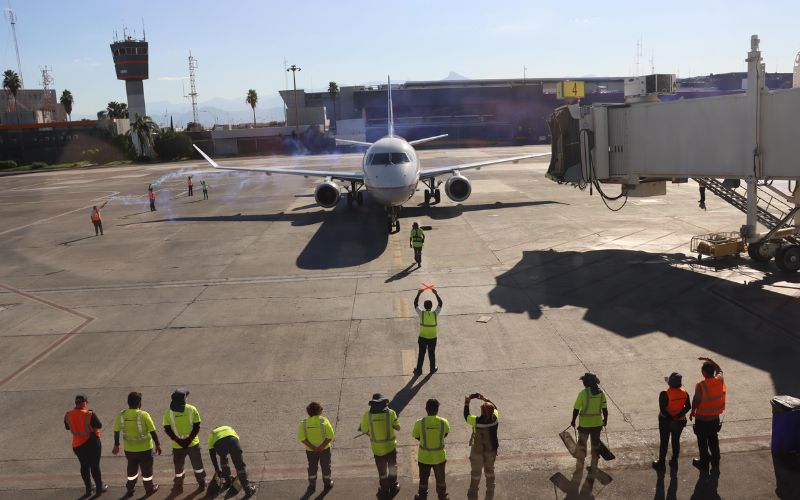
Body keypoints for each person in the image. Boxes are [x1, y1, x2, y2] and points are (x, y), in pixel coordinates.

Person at [113, 392, 161, 497]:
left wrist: (116, 445)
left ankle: (130, 488)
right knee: (147, 471)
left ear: (128, 402)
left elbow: (116, 431)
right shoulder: (144, 415)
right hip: (145, 450)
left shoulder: (121, 415)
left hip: (129, 450)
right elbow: (153, 432)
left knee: (131, 470)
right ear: (139, 403)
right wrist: (157, 444)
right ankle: (149, 488)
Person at [162, 389, 206, 493]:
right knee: (197, 465)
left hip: (177, 445)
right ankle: (202, 482)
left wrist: (179, 441)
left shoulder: (169, 413)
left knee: (178, 466)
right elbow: (197, 426)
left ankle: (178, 483)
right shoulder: (192, 409)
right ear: (184, 399)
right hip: (193, 443)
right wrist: (189, 440)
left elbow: (167, 429)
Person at [64, 394, 108, 498]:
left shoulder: (68, 414)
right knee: (95, 466)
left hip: (77, 445)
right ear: (85, 403)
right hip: (92, 443)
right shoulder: (89, 414)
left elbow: (67, 427)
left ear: (76, 403)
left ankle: (88, 488)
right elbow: (99, 425)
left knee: (84, 466)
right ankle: (99, 487)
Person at [360, 393, 401, 498]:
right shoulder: (391, 413)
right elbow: (398, 427)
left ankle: (384, 489)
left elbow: (365, 430)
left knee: (382, 471)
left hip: (378, 450)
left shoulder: (367, 415)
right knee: (392, 468)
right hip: (391, 447)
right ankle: (393, 485)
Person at [690, 357, 726, 471]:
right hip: (715, 418)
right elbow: (720, 369)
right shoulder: (719, 380)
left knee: (702, 442)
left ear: (703, 372)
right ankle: (715, 463)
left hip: (702, 419)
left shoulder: (701, 385)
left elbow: (696, 400)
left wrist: (692, 411)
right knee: (713, 440)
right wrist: (710, 360)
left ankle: (704, 462)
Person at [570, 372, 608, 477]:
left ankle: (580, 465)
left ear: (586, 383)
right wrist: (605, 420)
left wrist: (573, 421)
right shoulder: (601, 394)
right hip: (597, 424)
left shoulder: (583, 393)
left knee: (582, 444)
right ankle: (594, 467)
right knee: (595, 445)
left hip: (584, 425)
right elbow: (605, 409)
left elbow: (576, 409)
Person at [412, 398, 450, 500]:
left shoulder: (419, 423)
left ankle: (422, 496)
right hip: (439, 457)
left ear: (426, 409)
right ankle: (442, 496)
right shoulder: (444, 422)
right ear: (437, 409)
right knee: (441, 479)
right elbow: (445, 434)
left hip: (424, 458)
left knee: (423, 480)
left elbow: (416, 436)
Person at [653, 372, 691, 471]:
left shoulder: (664, 393)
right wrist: (678, 416)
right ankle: (674, 460)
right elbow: (688, 406)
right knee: (675, 441)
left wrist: (672, 418)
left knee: (664, 442)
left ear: (669, 383)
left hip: (666, 421)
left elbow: (663, 410)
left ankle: (661, 463)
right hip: (679, 421)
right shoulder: (685, 392)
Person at [464, 393, 499, 500]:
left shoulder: (476, 421)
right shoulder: (495, 419)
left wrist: (467, 402)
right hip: (491, 451)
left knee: (476, 474)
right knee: (489, 472)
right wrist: (485, 399)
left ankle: (473, 495)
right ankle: (489, 495)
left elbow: (466, 416)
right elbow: (495, 408)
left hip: (477, 452)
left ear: (482, 411)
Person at [207, 425, 257, 497]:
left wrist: (217, 469)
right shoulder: (228, 427)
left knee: (223, 459)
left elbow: (212, 454)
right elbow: (237, 440)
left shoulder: (212, 433)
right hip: (233, 441)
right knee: (240, 467)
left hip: (219, 445)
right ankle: (248, 490)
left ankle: (228, 481)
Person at [298, 401, 335, 494]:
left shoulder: (304, 423)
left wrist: (313, 447)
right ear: (318, 411)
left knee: (312, 467)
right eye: (321, 408)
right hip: (325, 450)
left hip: (311, 451)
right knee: (326, 466)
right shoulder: (324, 421)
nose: (322, 409)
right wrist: (321, 446)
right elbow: (330, 435)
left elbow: (301, 438)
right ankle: (327, 483)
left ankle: (312, 486)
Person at [413, 288, 443, 375]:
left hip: (422, 337)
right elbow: (440, 304)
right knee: (431, 353)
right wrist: (436, 294)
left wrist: (419, 294)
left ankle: (419, 370)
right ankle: (432, 368)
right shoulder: (435, 313)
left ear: (424, 306)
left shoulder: (421, 313)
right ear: (431, 306)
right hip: (432, 337)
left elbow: (415, 304)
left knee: (421, 354)